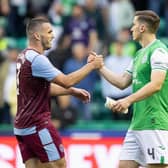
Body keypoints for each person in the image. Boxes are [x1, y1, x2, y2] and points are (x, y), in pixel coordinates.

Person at [14, 17, 103, 168]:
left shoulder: (23, 56)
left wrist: (72, 92)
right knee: (60, 164)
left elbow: (41, 89)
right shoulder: (37, 59)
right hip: (38, 125)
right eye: (49, 32)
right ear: (37, 35)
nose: (53, 36)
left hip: (22, 127)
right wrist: (92, 66)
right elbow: (67, 80)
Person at [89, 10, 168, 168]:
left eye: (134, 25)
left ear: (142, 28)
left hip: (153, 121)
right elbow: (122, 82)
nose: (131, 29)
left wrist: (128, 100)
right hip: (137, 122)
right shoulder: (139, 54)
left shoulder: (159, 51)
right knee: (124, 165)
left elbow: (156, 84)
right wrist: (100, 67)